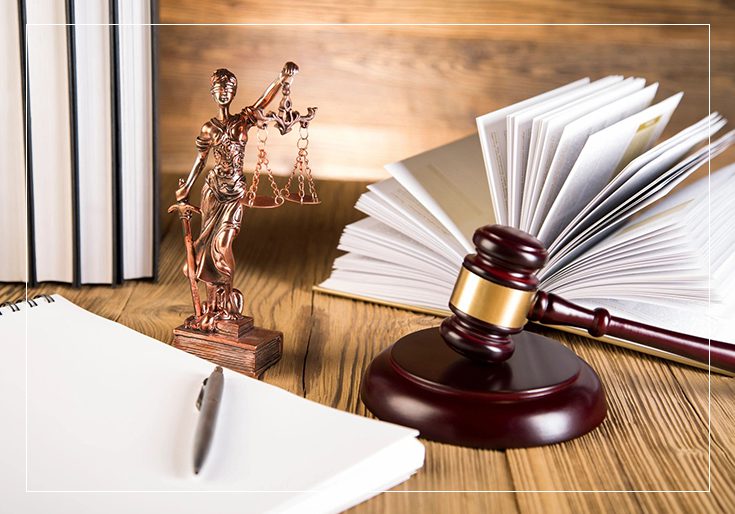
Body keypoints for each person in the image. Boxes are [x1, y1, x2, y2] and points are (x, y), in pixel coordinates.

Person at [173, 63, 298, 331]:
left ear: (234, 91)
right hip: (213, 191)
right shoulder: (209, 128)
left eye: (228, 88)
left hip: (235, 192)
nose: (224, 93)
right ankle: (213, 306)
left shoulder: (242, 121)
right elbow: (200, 160)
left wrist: (280, 79)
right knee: (206, 247)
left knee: (223, 242)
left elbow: (263, 101)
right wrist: (187, 188)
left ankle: (226, 298)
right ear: (212, 92)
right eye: (219, 89)